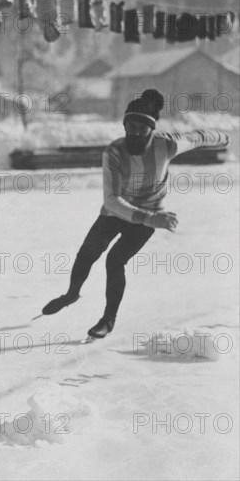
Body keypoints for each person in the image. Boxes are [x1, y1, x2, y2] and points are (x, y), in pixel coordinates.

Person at [42, 89, 229, 338]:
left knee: (115, 260)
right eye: (131, 126)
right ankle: (71, 294)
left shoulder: (167, 144)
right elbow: (112, 199)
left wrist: (223, 138)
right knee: (87, 253)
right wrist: (152, 219)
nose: (136, 134)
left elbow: (198, 136)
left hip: (146, 216)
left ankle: (107, 321)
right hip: (118, 213)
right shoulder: (114, 152)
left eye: (143, 129)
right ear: (124, 125)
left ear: (152, 130)